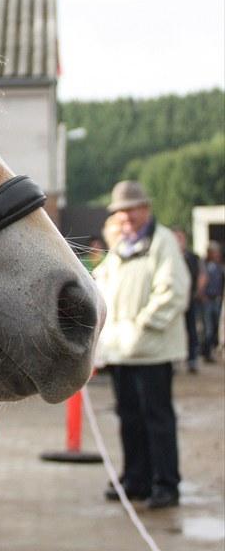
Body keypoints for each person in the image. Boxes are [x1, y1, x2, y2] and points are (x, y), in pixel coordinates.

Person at [93, 180, 189, 510]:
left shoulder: (162, 243)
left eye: (131, 209)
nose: (126, 217)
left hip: (152, 351)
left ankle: (166, 483)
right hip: (122, 351)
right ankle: (136, 479)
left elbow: (174, 292)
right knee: (129, 417)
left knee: (157, 418)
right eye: (120, 212)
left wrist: (141, 326)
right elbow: (101, 287)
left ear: (145, 209)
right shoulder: (119, 248)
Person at [172, 227, 203, 373]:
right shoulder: (169, 257)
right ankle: (174, 360)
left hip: (190, 300)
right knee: (174, 330)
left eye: (180, 238)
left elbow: (202, 275)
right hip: (173, 302)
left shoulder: (193, 257)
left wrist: (197, 292)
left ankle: (192, 359)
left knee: (192, 330)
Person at [200, 241, 224, 363]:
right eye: (214, 252)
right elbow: (201, 281)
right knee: (208, 328)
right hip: (207, 300)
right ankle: (206, 352)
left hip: (217, 300)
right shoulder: (203, 265)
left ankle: (210, 350)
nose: (217, 254)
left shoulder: (220, 266)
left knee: (215, 327)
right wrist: (201, 295)